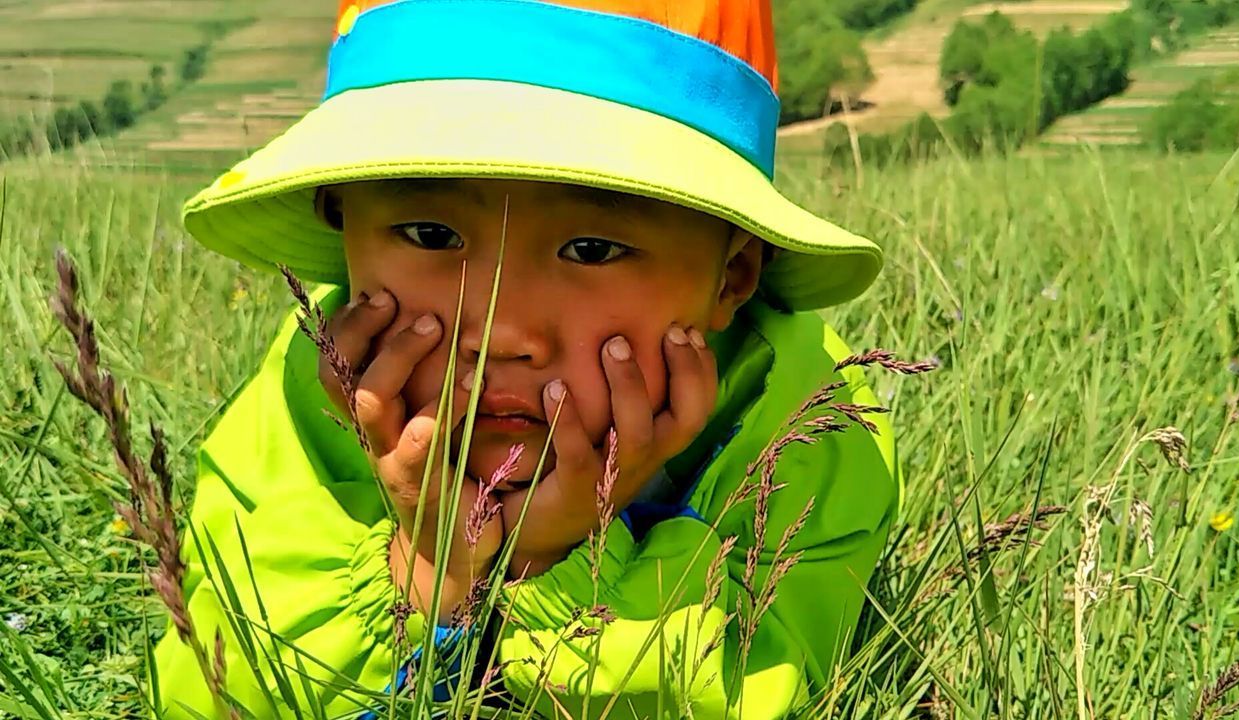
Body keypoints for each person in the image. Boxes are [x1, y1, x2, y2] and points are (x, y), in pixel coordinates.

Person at [154, 1, 901, 718]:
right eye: (430, 235)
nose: (502, 331)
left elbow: (743, 690)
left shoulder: (806, 428)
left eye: (591, 249)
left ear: (732, 276)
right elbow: (213, 688)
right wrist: (430, 571)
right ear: (342, 218)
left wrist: (561, 561)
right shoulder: (316, 390)